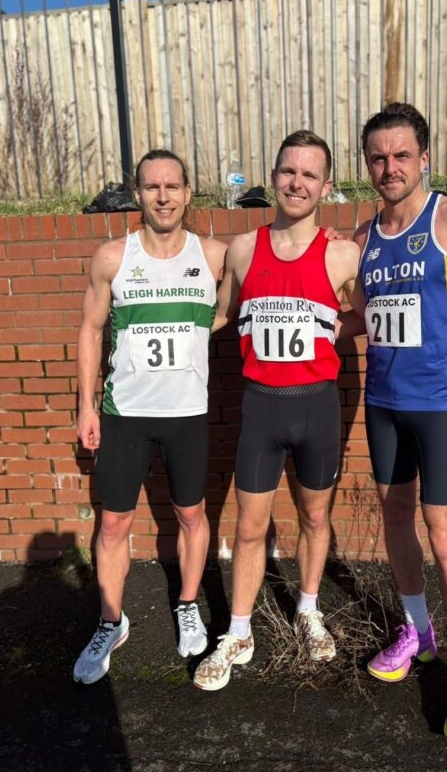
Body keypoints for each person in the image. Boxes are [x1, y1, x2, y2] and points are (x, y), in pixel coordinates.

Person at [348, 103, 447, 745]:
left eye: (401, 155)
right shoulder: (362, 237)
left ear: (425, 158)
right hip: (383, 403)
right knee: (395, 517)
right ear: (368, 165)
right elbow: (361, 316)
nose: (390, 167)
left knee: (446, 538)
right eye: (379, 158)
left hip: (441, 405)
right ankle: (418, 630)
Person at [193, 131, 361, 691]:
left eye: (309, 174)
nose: (297, 183)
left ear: (326, 187)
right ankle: (238, 631)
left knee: (314, 518)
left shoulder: (342, 254)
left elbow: (370, 313)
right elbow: (221, 314)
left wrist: (330, 329)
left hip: (317, 408)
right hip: (261, 408)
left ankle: (308, 609)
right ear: (273, 177)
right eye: (288, 171)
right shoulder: (243, 249)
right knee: (249, 527)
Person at [73, 149, 227, 684]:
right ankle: (110, 622)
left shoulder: (214, 256)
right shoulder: (113, 257)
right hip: (126, 414)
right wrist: (86, 405)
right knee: (114, 522)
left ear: (188, 193)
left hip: (187, 414)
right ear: (137, 194)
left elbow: (269, 271)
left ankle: (187, 604)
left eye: (173, 186)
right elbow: (91, 330)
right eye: (152, 187)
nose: (163, 196)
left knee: (191, 515)